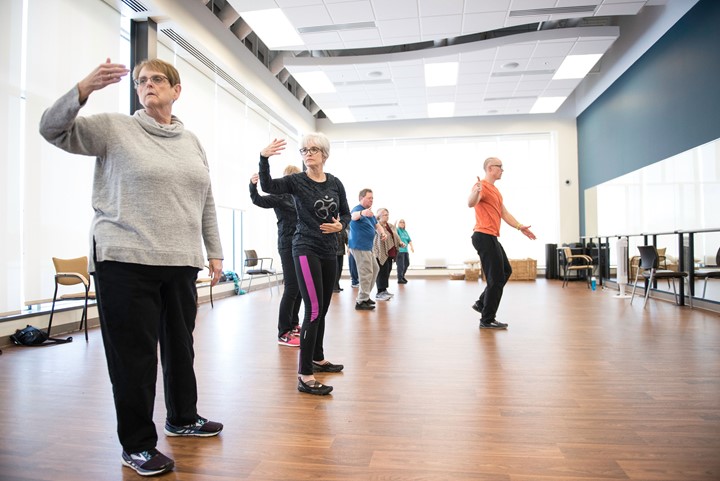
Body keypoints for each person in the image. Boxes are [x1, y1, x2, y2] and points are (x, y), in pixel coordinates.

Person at [39, 58, 224, 476]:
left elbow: (206, 200)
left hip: (179, 261)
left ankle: (183, 418)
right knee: (134, 359)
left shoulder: (192, 141)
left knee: (180, 348)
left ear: (177, 91)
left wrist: (214, 250)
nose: (148, 85)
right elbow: (52, 129)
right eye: (141, 81)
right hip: (124, 260)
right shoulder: (114, 128)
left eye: (158, 79)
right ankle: (138, 445)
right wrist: (82, 89)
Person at [258, 134, 351, 396]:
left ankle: (317, 358)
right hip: (304, 248)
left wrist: (340, 225)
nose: (308, 154)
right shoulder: (296, 181)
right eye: (304, 150)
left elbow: (345, 213)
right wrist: (264, 158)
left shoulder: (335, 183)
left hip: (329, 250)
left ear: (324, 154)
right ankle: (304, 375)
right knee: (312, 310)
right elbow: (267, 186)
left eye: (313, 150)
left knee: (322, 309)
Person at [468, 157, 536, 329]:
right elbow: (471, 202)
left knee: (506, 270)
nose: (502, 170)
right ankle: (487, 319)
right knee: (496, 278)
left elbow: (504, 213)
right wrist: (475, 191)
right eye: (500, 167)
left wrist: (520, 227)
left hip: (490, 237)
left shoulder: (495, 191)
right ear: (490, 168)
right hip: (483, 236)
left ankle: (482, 303)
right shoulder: (481, 186)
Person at [249, 167, 303, 347]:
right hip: (287, 245)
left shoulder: (299, 197)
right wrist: (252, 185)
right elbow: (257, 200)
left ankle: (294, 324)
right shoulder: (279, 197)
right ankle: (283, 332)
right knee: (292, 286)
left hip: (301, 244)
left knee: (300, 287)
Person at [349, 189, 387, 310]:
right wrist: (362, 213)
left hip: (368, 247)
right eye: (369, 198)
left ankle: (365, 297)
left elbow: (377, 225)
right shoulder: (358, 210)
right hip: (360, 246)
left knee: (375, 269)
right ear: (361, 198)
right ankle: (361, 301)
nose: (372, 200)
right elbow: (353, 216)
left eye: (372, 198)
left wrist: (382, 233)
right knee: (366, 273)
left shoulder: (370, 214)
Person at [373, 208, 404, 300]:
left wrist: (400, 242)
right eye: (385, 215)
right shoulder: (376, 226)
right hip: (380, 252)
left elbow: (396, 236)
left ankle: (384, 290)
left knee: (387, 271)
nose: (387, 216)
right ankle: (379, 292)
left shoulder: (390, 226)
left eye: (387, 214)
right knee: (381, 272)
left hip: (391, 252)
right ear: (379, 216)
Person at [395, 219, 414, 284]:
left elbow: (409, 240)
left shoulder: (405, 232)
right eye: (400, 222)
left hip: (406, 251)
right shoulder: (397, 230)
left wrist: (412, 247)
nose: (402, 223)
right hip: (399, 251)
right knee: (401, 265)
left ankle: (402, 276)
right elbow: (394, 233)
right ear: (398, 223)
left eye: (403, 222)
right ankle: (400, 279)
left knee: (407, 264)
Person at [333, 226, 348, 292]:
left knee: (340, 269)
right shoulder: (332, 228)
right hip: (334, 252)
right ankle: (334, 287)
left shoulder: (342, 229)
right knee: (335, 270)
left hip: (341, 252)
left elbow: (346, 239)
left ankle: (337, 285)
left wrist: (348, 247)